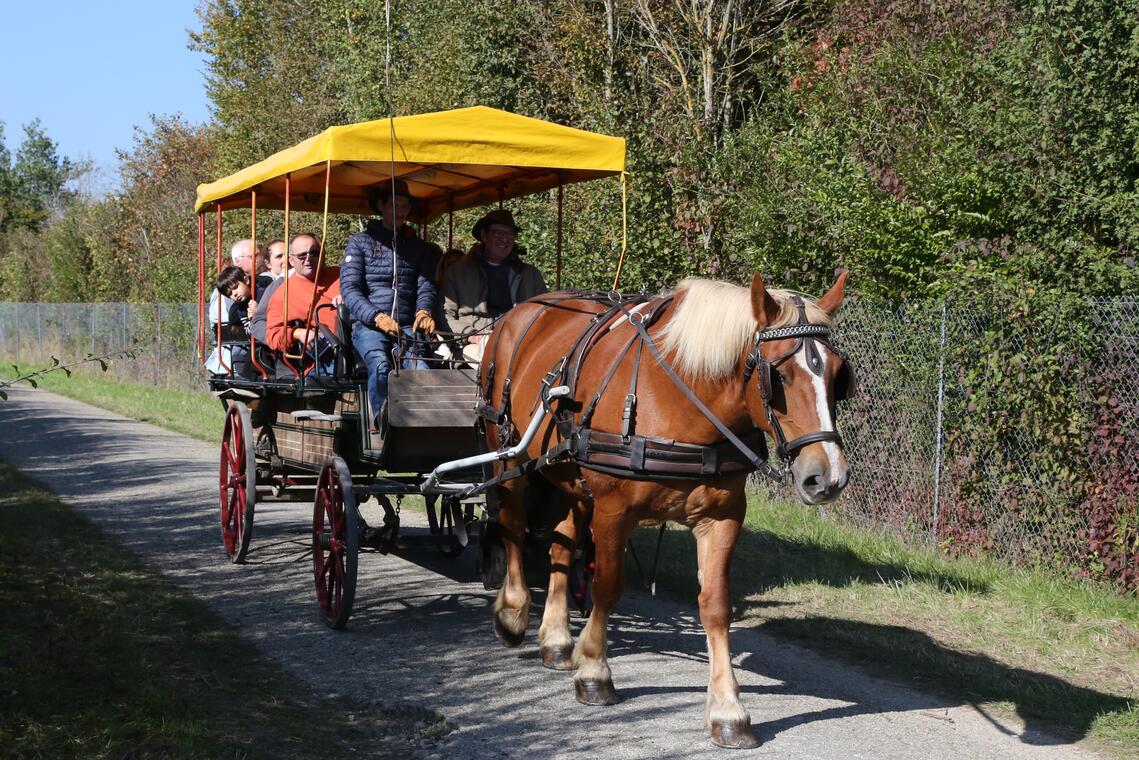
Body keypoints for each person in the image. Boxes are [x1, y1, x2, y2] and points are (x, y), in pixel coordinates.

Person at [340, 178, 437, 429]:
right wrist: (376, 317)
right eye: (396, 205)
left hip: (406, 326)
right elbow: (350, 290)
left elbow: (425, 286)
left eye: (405, 206)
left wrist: (424, 311)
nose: (402, 211)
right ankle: (381, 421)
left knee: (422, 370)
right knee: (381, 365)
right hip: (369, 326)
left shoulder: (418, 248)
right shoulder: (360, 242)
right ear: (381, 206)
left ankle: (425, 423)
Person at [439, 208, 546, 362]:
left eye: (510, 234)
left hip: (520, 339)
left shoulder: (530, 274)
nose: (505, 239)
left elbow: (545, 312)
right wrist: (469, 335)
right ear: (484, 236)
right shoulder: (457, 273)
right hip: (475, 344)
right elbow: (444, 315)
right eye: (498, 233)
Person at [264, 234, 342, 372]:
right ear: (291, 260)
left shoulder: (342, 275)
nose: (308, 259)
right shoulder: (283, 293)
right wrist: (298, 333)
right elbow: (273, 335)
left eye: (314, 253)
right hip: (327, 357)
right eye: (302, 255)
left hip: (359, 342)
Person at [205, 239, 266, 375]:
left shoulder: (265, 284)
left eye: (260, 255)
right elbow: (230, 324)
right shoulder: (232, 303)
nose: (260, 259)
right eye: (254, 256)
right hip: (241, 352)